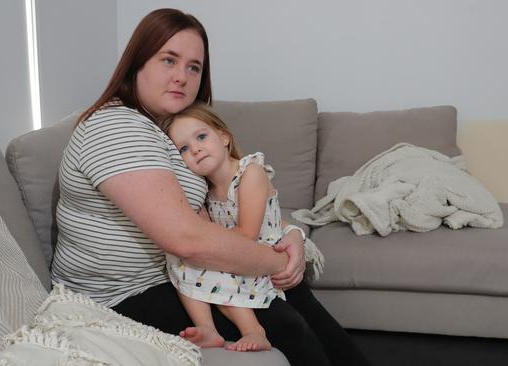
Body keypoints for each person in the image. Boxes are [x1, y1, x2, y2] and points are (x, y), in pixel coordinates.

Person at [50, 8, 369, 366]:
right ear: (137, 63)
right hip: (121, 295)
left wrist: (291, 234)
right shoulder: (115, 127)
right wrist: (275, 260)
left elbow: (229, 208)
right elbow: (186, 239)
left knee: (294, 294)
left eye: (194, 67)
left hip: (176, 272)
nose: (182, 77)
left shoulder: (171, 132)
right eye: (168, 60)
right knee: (285, 322)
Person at [160, 102, 299, 352]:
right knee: (179, 258)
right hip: (233, 251)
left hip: (259, 254)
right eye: (183, 148)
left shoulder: (250, 173)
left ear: (223, 137)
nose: (196, 149)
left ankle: (255, 331)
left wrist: (207, 236)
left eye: (201, 136)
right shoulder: (205, 192)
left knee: (216, 270)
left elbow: (246, 235)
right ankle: (208, 330)